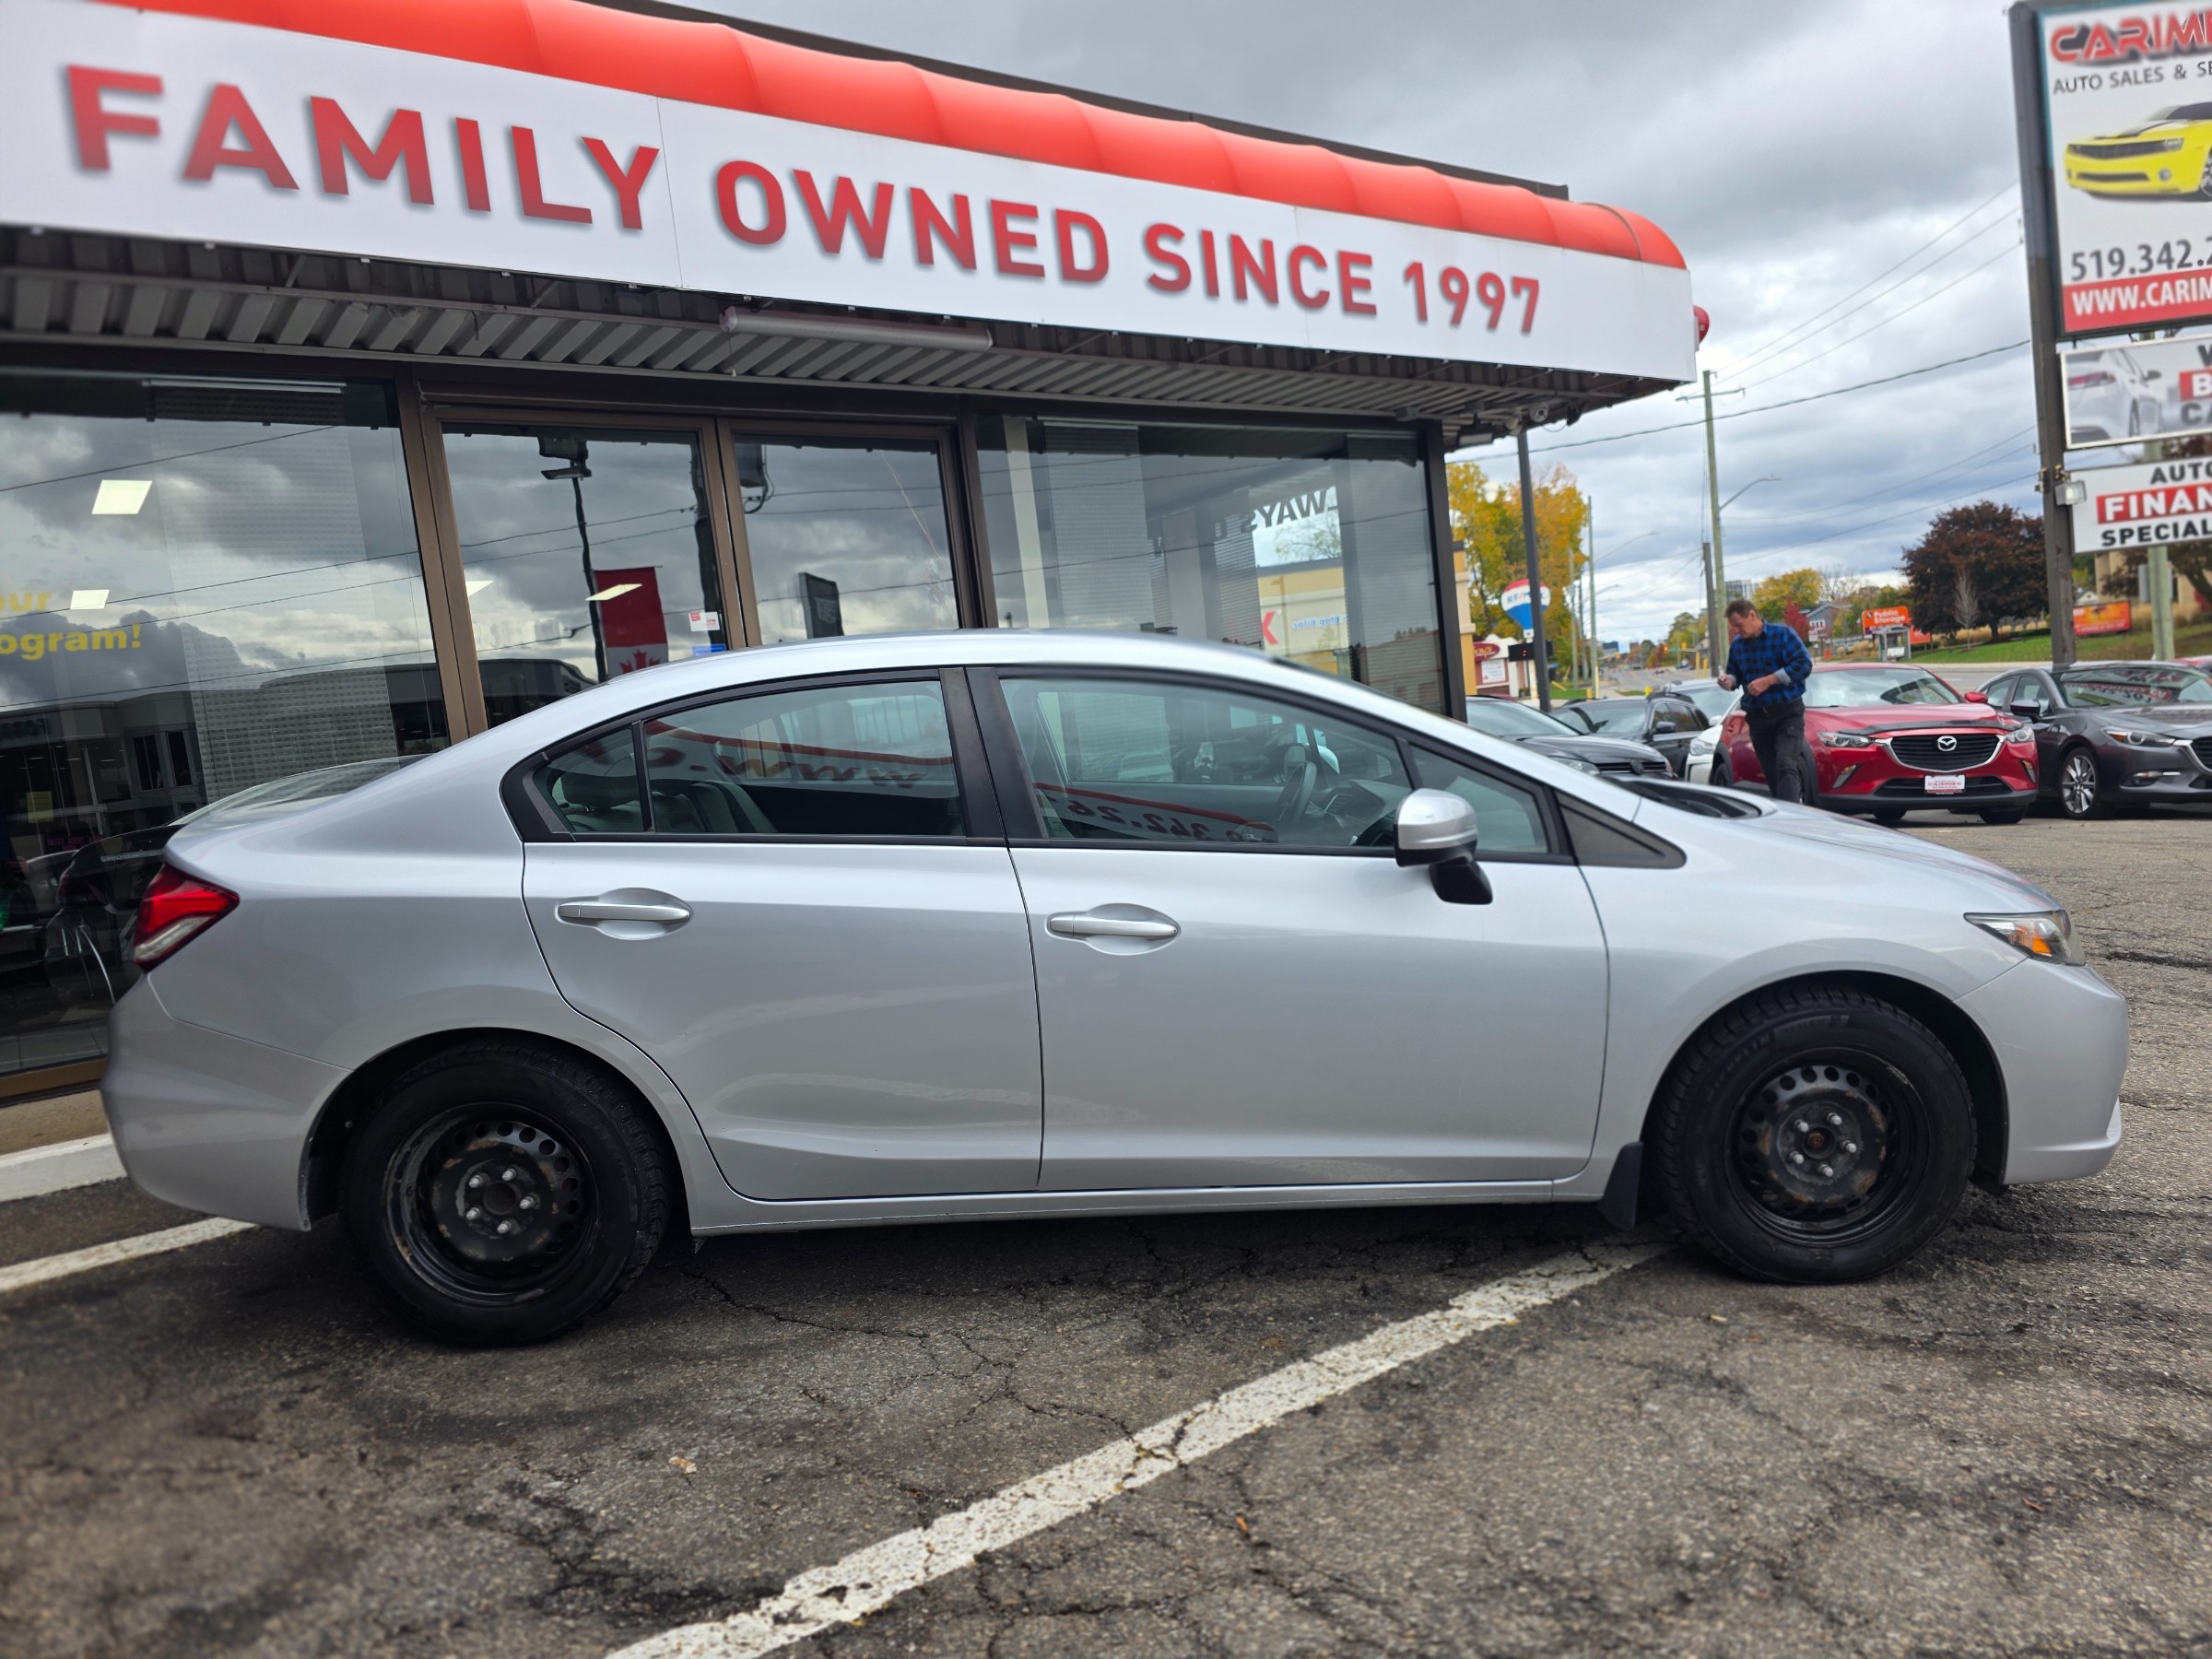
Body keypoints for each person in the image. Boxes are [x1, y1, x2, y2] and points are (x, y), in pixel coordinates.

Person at [1716, 597, 1816, 805]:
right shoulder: (1738, 646)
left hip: (1787, 713)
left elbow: (1804, 665)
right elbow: (1735, 675)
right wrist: (1728, 681)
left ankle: (1791, 813)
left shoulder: (1783, 635)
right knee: (1771, 770)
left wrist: (1770, 680)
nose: (1736, 631)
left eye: (1739, 625)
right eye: (1734, 627)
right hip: (1757, 717)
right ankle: (1782, 811)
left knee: (1786, 762)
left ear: (1752, 615)